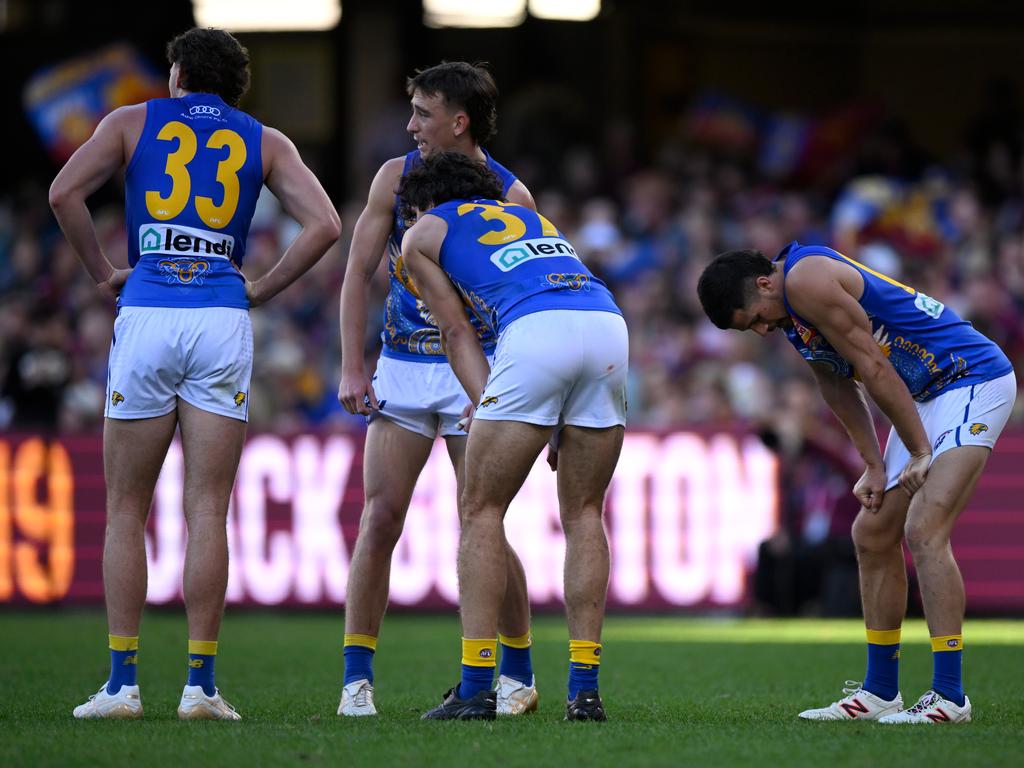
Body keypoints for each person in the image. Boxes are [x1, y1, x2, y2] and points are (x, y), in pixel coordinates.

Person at [49, 27, 340, 720]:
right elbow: (326, 223)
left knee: (126, 507)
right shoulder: (265, 140)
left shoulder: (129, 122)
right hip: (220, 316)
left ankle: (122, 685)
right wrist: (262, 287)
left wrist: (102, 277)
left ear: (176, 73)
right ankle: (201, 687)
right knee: (207, 508)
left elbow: (65, 194)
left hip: (147, 309)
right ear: (236, 83)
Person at [697, 243, 1016, 724]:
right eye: (752, 328)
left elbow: (872, 365)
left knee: (925, 528)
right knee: (871, 534)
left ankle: (950, 695)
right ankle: (880, 692)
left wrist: (920, 449)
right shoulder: (790, 310)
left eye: (756, 318)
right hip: (925, 395)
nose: (763, 329)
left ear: (765, 283)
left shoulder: (806, 282)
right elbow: (836, 384)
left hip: (970, 378)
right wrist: (874, 464)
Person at [336, 62, 539, 717]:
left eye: (423, 113)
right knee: (379, 518)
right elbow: (358, 272)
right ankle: (355, 681)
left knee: (482, 523)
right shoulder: (394, 179)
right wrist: (351, 365)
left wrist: (507, 388)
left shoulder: (513, 196)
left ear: (459, 121)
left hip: (470, 374)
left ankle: (515, 675)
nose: (410, 125)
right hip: (401, 368)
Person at [397, 151, 628, 722]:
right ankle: (585, 690)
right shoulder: (531, 217)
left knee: (480, 509)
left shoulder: (424, 230)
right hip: (606, 325)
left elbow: (454, 330)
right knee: (584, 513)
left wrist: (486, 403)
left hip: (536, 332)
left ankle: (477, 686)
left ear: (425, 200)